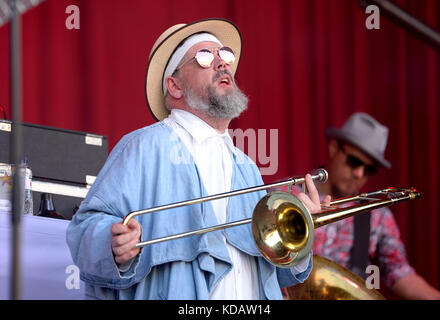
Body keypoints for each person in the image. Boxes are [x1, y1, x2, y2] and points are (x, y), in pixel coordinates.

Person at [66, 18, 327, 300]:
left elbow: (280, 273)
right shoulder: (143, 147)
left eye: (224, 55)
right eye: (204, 57)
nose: (221, 63)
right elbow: (84, 229)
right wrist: (113, 244)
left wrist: (301, 229)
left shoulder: (246, 166)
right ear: (175, 86)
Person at [304, 112, 440, 300]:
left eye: (369, 169)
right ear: (333, 148)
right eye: (354, 161)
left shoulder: (378, 215)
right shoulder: (285, 194)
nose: (359, 173)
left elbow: (398, 271)